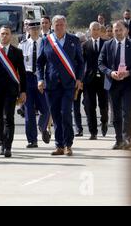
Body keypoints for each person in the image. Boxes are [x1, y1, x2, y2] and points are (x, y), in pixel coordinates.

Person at [37, 15, 84, 156]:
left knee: (65, 114)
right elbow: (40, 63)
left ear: (65, 25)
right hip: (51, 85)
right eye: (56, 24)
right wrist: (40, 79)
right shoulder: (46, 41)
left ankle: (68, 145)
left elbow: (81, 62)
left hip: (68, 84)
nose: (59, 27)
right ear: (52, 25)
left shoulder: (73, 40)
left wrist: (79, 78)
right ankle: (59, 145)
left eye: (61, 24)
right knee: (56, 115)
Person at [98, 20, 131, 150]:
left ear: (126, 30)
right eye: (115, 30)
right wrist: (110, 73)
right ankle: (118, 140)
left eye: (120, 30)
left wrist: (129, 72)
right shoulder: (107, 45)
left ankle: (126, 139)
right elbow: (100, 63)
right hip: (113, 83)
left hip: (129, 83)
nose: (117, 32)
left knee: (127, 112)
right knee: (116, 114)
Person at [0, 25, 26, 157]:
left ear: (10, 36)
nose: (5, 36)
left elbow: (22, 74)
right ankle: (1, 142)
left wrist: (23, 91)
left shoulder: (17, 52)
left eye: (7, 33)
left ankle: (8, 147)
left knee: (9, 118)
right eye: (2, 33)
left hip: (10, 91)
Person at [18, 21, 51, 147]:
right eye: (33, 28)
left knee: (46, 108)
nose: (35, 31)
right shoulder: (23, 45)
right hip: (27, 78)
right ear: (28, 30)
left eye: (38, 28)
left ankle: (42, 127)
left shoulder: (46, 42)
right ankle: (32, 140)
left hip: (41, 77)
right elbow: (19, 66)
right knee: (29, 111)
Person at [82, 22, 109, 140]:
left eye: (98, 29)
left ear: (100, 31)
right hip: (89, 80)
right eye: (94, 29)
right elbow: (81, 63)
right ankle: (93, 132)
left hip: (103, 79)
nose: (96, 31)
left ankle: (104, 121)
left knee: (103, 105)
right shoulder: (85, 45)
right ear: (90, 30)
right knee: (90, 106)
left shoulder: (106, 44)